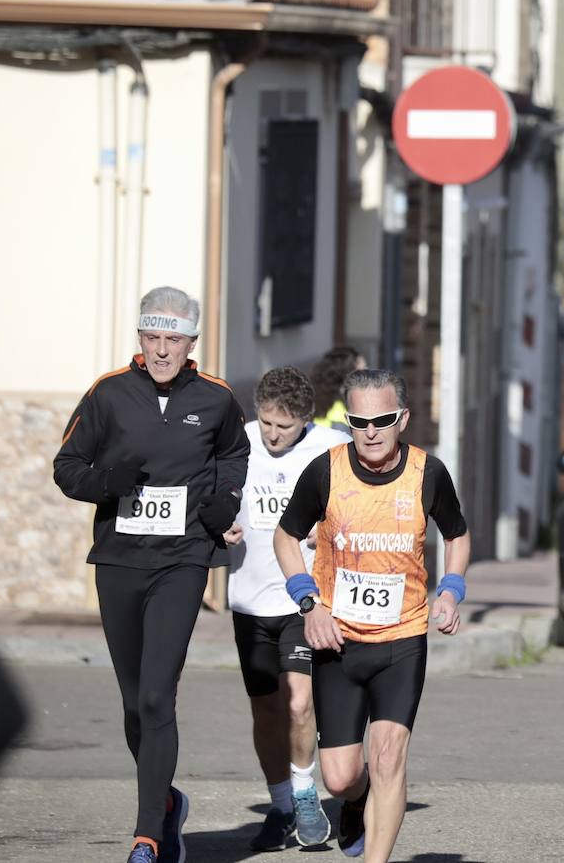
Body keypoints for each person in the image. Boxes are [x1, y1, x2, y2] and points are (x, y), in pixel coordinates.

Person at [54, 286, 250, 863]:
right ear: (140, 337)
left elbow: (235, 456)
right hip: (119, 561)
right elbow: (67, 467)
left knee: (160, 693)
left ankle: (147, 836)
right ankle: (164, 803)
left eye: (174, 339)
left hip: (183, 561)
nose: (162, 350)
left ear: (193, 342)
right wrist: (106, 484)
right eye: (153, 337)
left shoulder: (216, 399)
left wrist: (223, 502)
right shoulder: (109, 393)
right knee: (136, 702)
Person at [273, 369, 469, 861]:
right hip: (337, 639)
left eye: (382, 419)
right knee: (340, 777)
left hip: (402, 639)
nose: (372, 431)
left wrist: (451, 590)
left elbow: (457, 534)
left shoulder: (429, 473)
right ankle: (355, 803)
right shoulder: (325, 471)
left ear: (402, 418)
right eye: (359, 421)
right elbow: (285, 537)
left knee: (387, 757)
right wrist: (309, 603)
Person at [225, 367, 350, 850]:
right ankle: (280, 807)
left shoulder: (328, 446)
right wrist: (221, 527)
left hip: (305, 600)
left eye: (286, 426)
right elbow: (218, 496)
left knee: (300, 702)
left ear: (306, 419)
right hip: (249, 598)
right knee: (267, 709)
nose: (274, 436)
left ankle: (303, 794)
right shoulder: (237, 441)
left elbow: (354, 502)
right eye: (268, 424)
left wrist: (330, 527)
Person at [309, 346, 366, 431]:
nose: (367, 376)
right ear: (346, 377)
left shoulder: (317, 401)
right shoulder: (340, 417)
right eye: (362, 372)